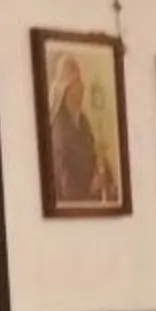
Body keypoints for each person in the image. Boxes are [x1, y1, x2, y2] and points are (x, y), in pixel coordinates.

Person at [50, 56, 112, 206]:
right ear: (67, 89)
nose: (83, 87)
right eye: (77, 81)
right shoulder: (59, 127)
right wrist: (90, 186)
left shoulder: (83, 121)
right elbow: (65, 181)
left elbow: (95, 155)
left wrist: (106, 175)